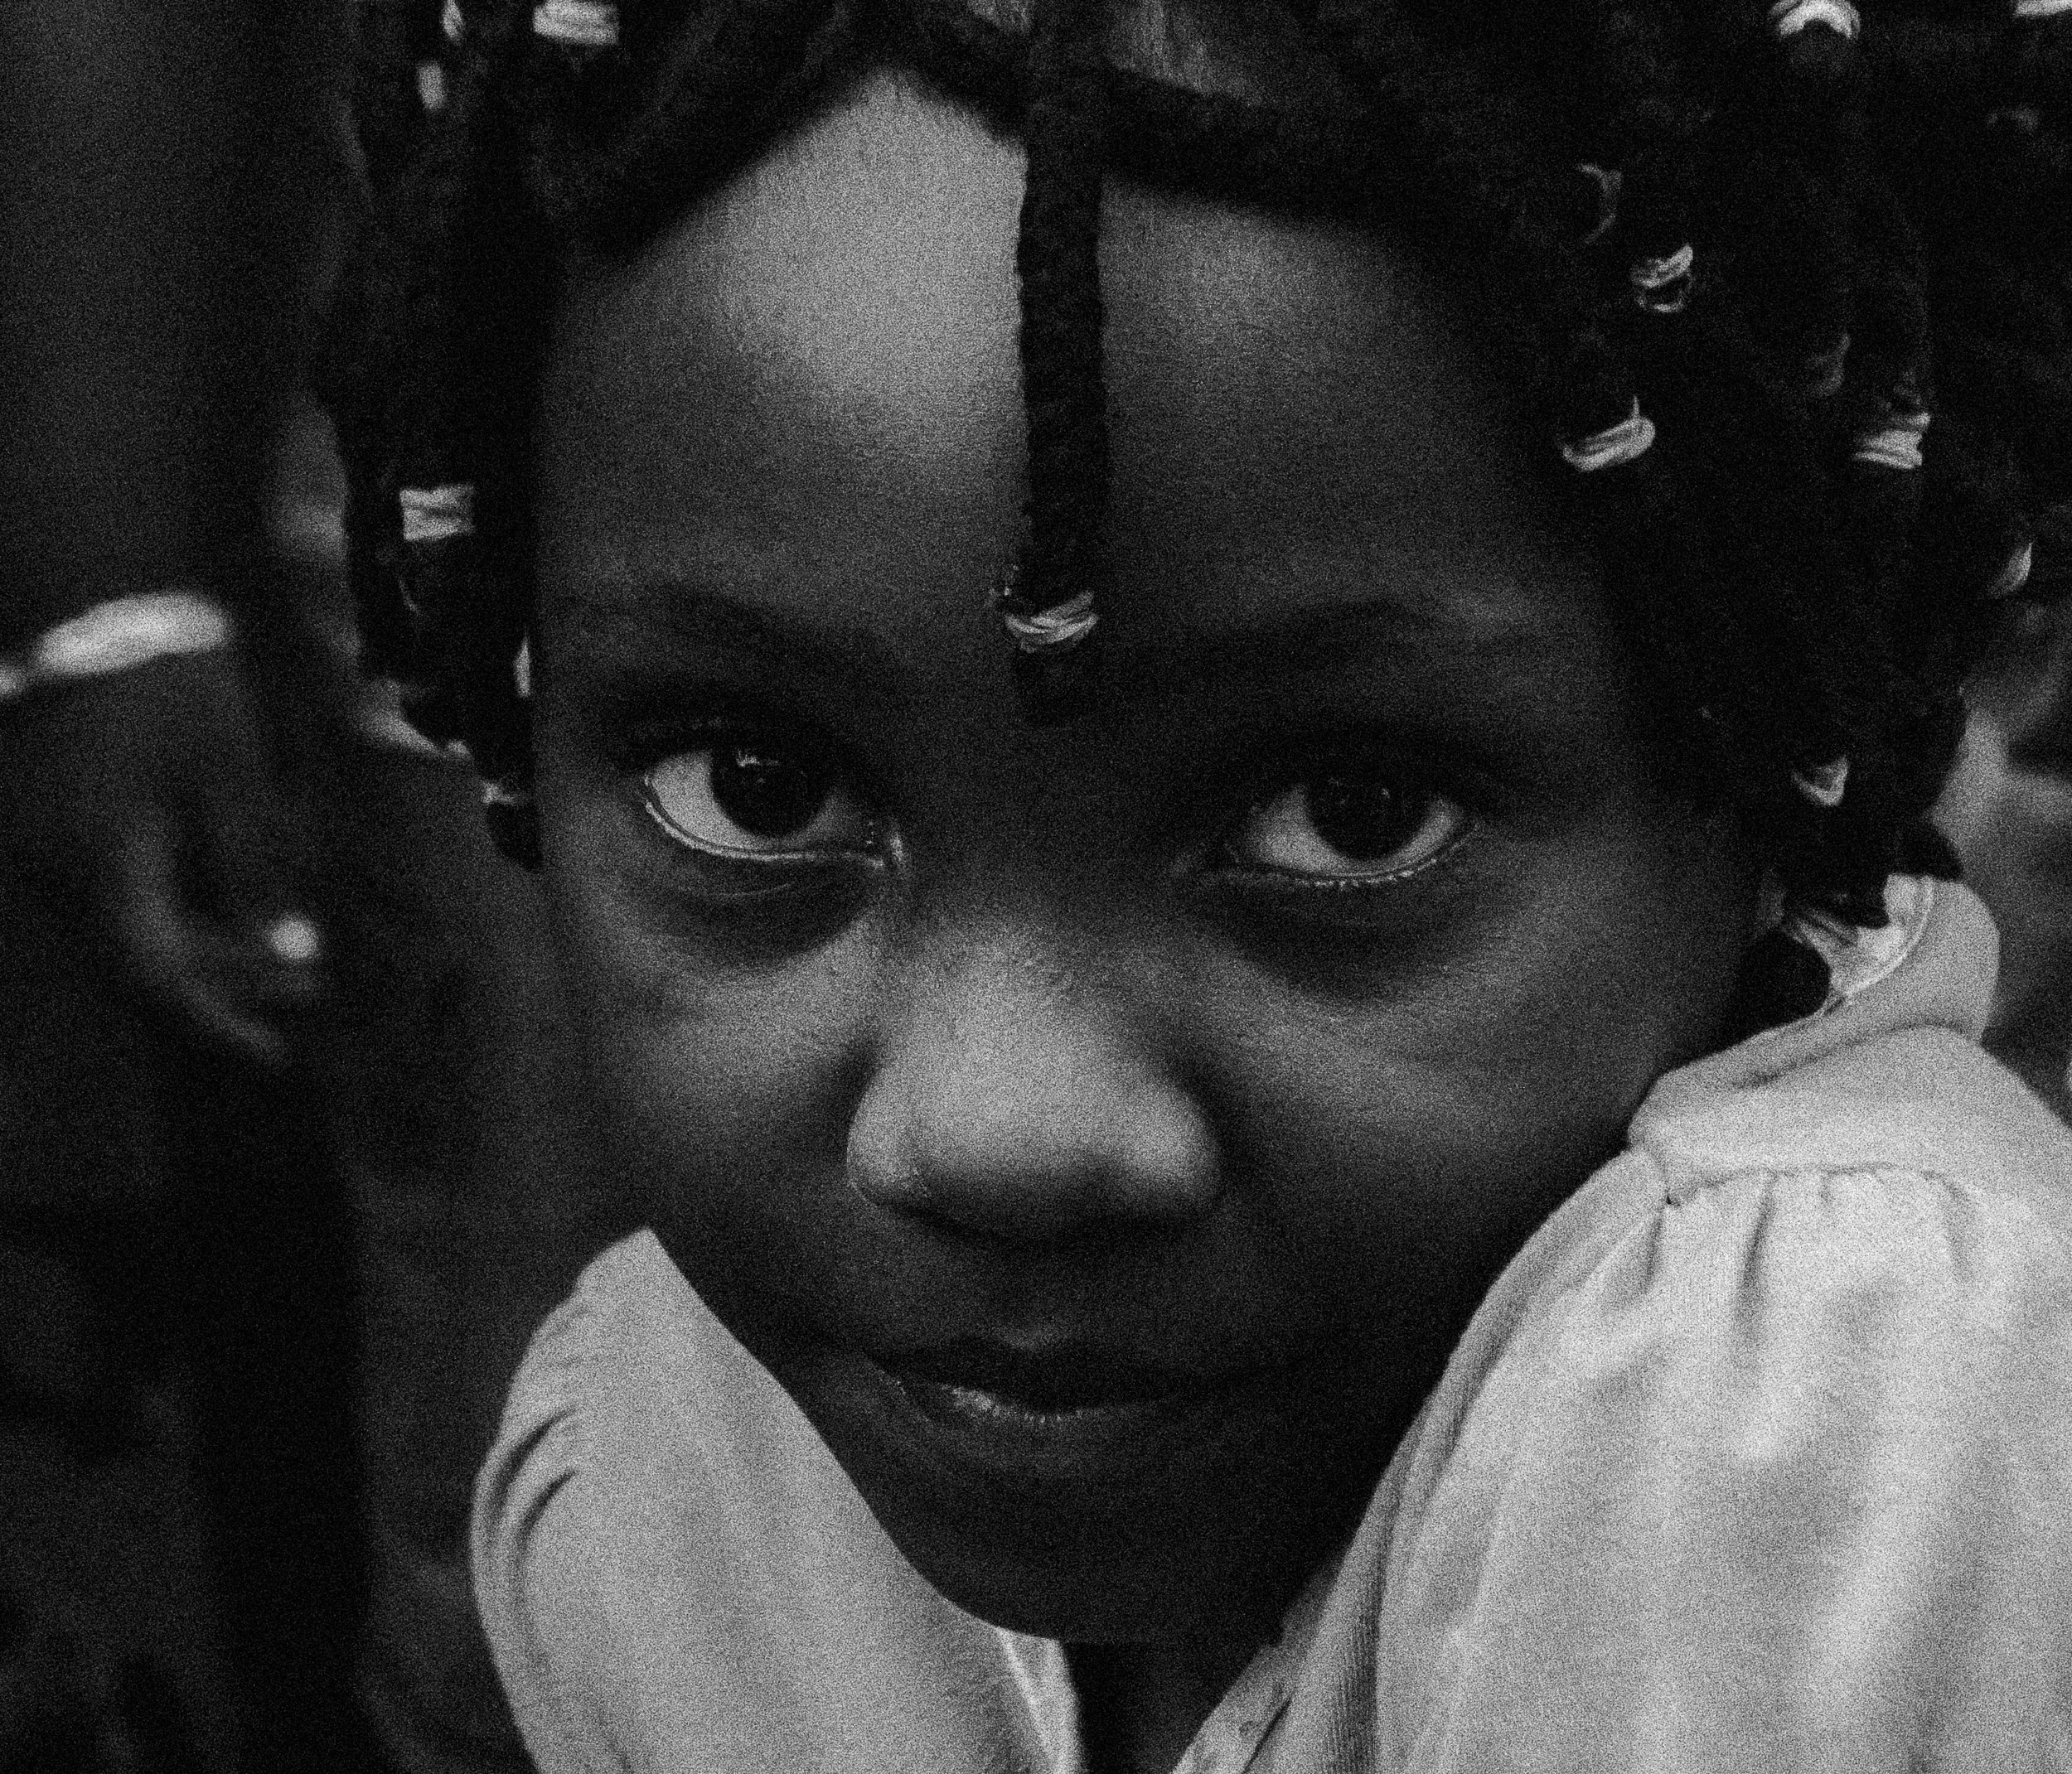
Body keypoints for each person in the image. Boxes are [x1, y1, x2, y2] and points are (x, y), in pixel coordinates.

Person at [319, 0, 2072, 1766]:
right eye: (756, 786)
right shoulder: (676, 1475)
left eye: (1351, 813)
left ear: (1771, 752)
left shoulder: (1822, 1411)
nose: (1002, 1127)